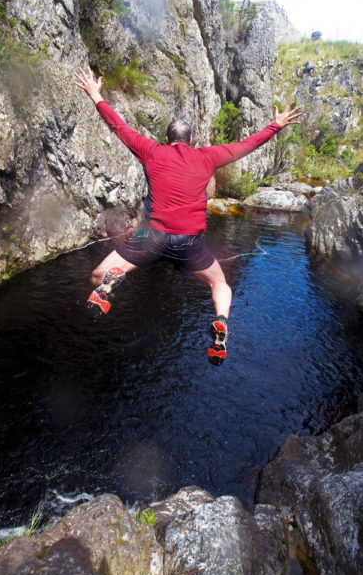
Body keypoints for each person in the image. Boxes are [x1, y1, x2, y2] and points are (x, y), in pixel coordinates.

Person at [73, 66, 302, 366]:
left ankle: (114, 278)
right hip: (189, 243)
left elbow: (119, 127)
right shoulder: (207, 156)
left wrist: (95, 94)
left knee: (101, 271)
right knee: (219, 284)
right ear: (191, 141)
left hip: (150, 236)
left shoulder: (151, 151)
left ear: (167, 139)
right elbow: (246, 146)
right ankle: (221, 321)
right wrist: (276, 125)